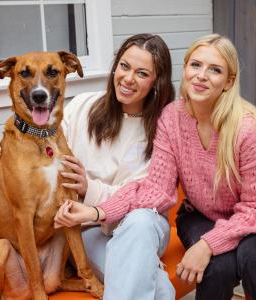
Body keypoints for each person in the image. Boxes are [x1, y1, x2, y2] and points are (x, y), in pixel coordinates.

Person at [55, 33, 256, 300]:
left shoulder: (247, 129)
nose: (202, 75)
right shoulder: (172, 118)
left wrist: (207, 244)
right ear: (185, 69)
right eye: (196, 65)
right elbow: (156, 190)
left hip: (251, 216)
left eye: (214, 70)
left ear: (229, 81)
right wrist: (98, 211)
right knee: (211, 271)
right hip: (200, 216)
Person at [54, 33, 176, 300]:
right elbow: (48, 153)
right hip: (86, 231)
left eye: (142, 73)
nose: (128, 78)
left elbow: (142, 196)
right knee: (161, 290)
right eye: (124, 66)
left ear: (157, 82)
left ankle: (139, 255)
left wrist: (89, 189)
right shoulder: (83, 107)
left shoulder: (163, 129)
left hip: (144, 228)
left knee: (141, 220)